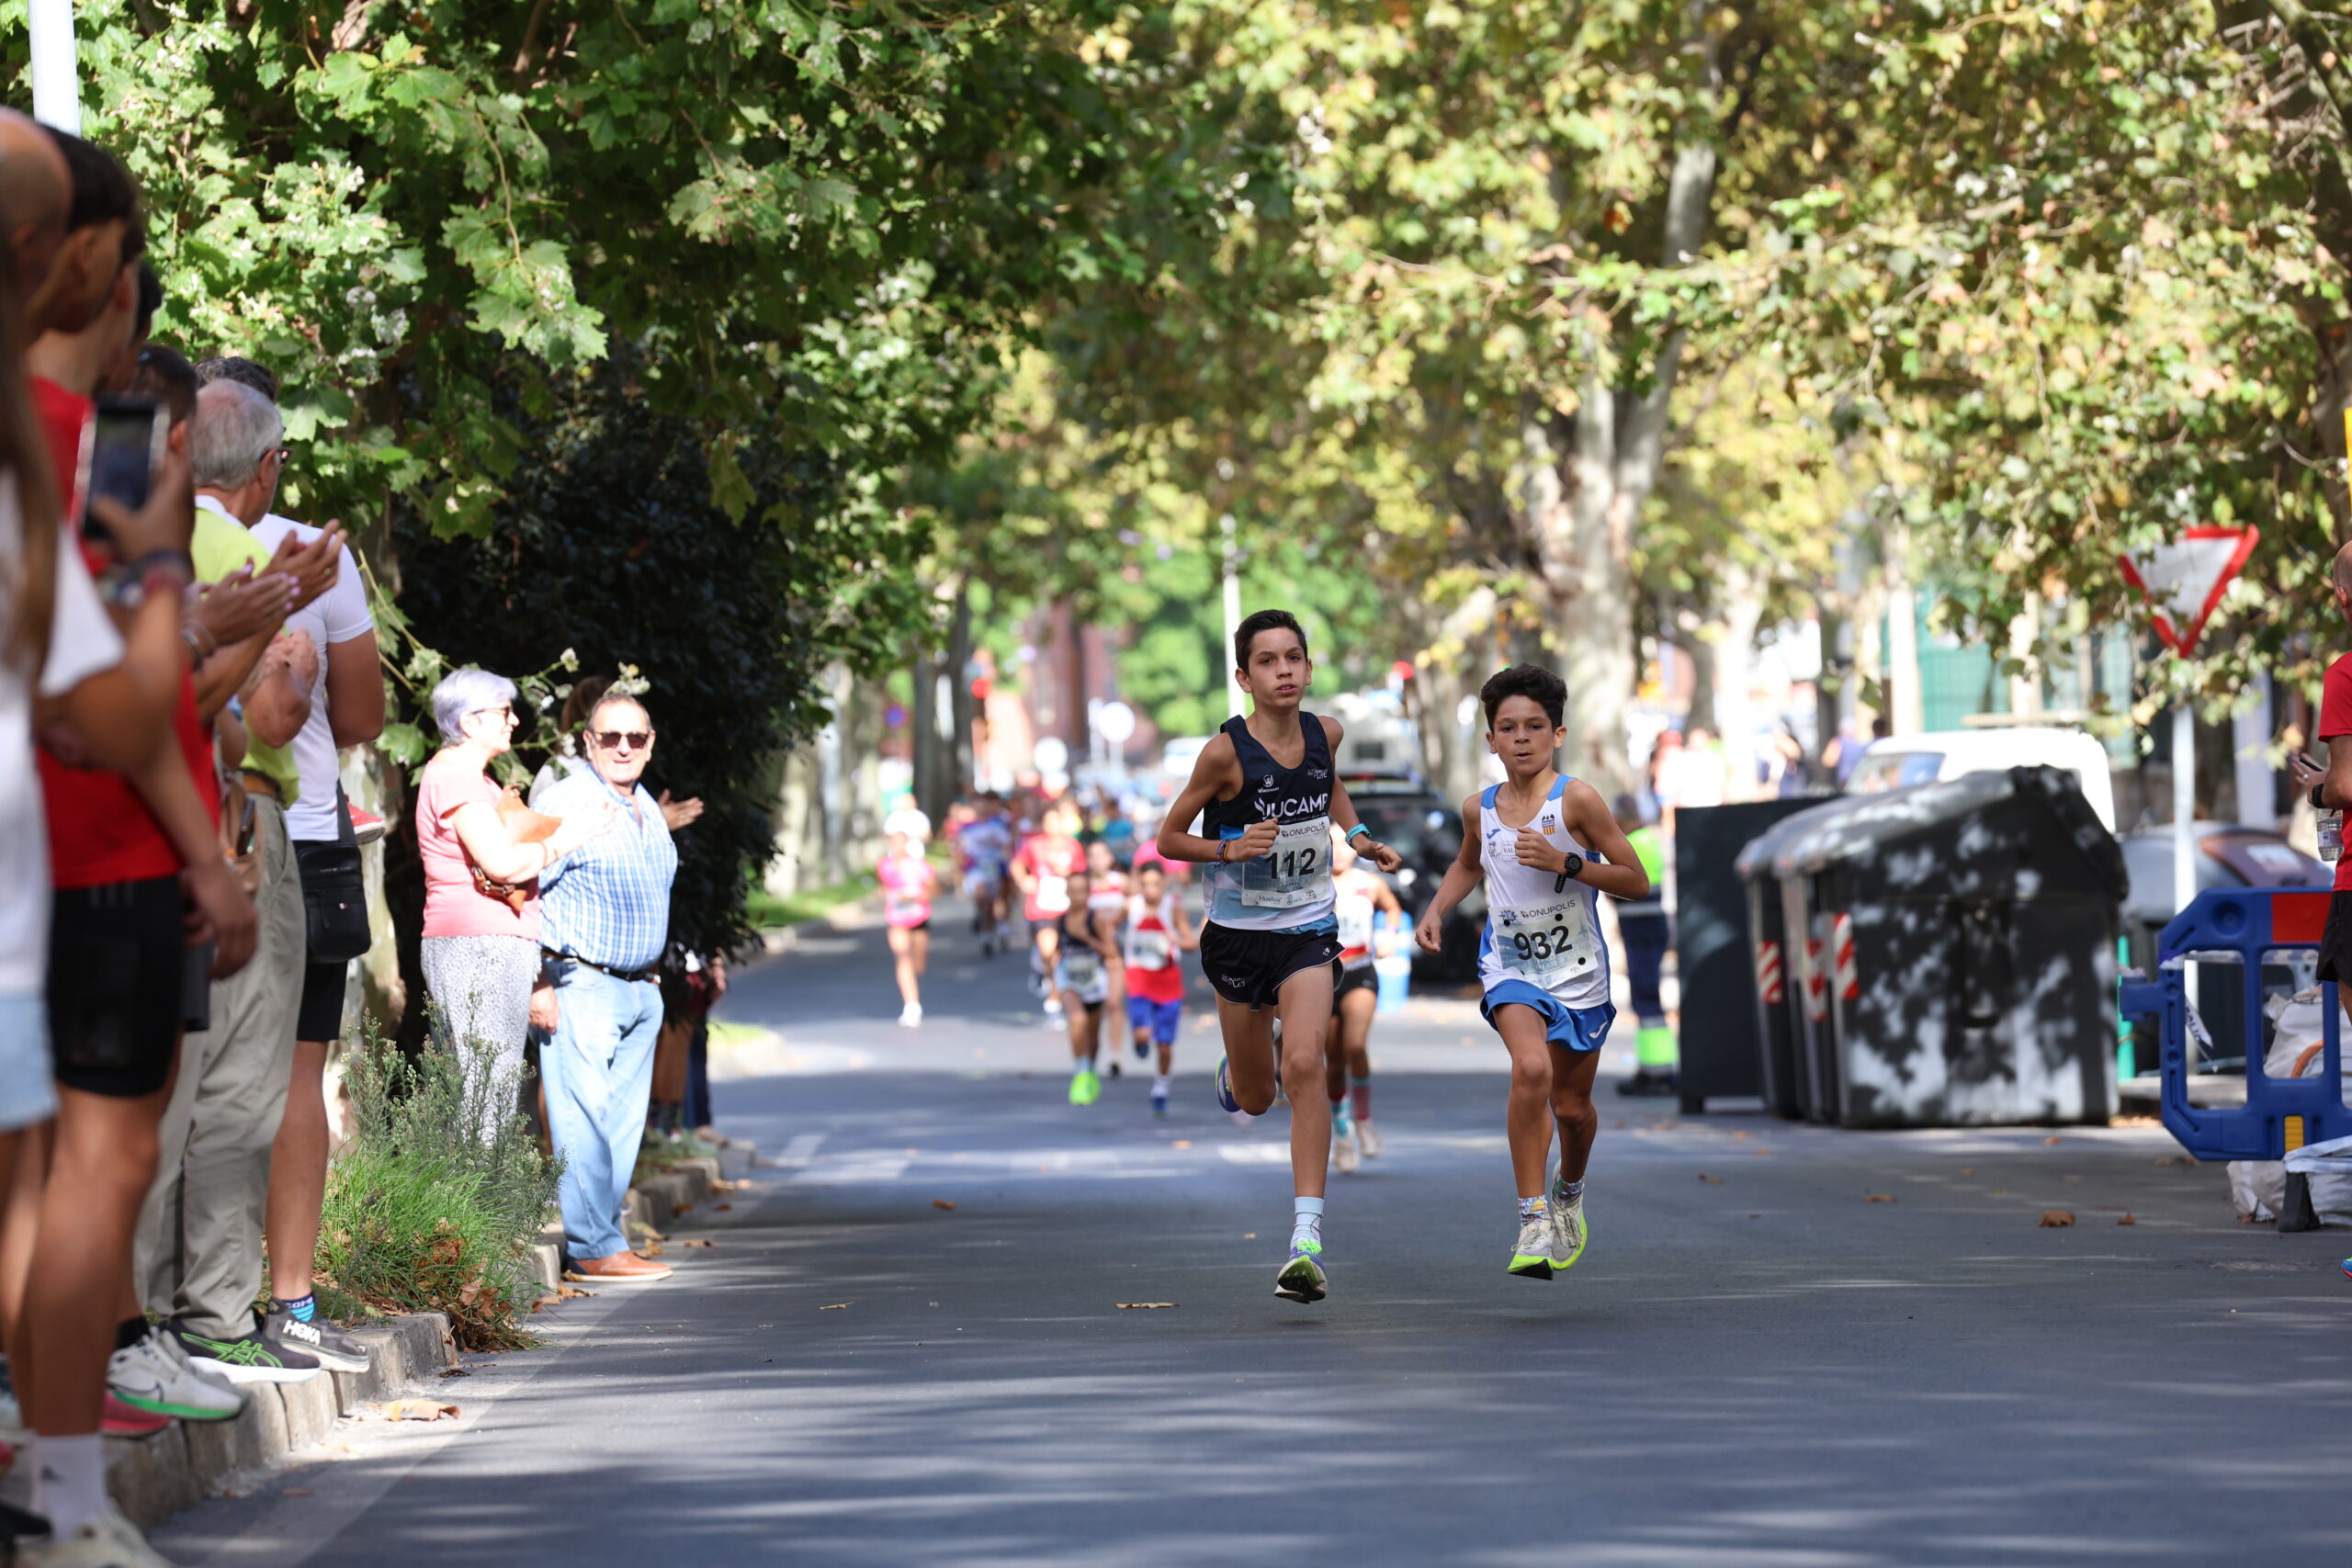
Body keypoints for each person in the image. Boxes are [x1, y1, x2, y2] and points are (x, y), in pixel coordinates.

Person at [140, 373, 365, 1393]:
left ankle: (140, 1316)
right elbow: (260, 721)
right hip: (236, 823)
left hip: (141, 826)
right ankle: (217, 1315)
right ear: (268, 467)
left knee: (158, 1083)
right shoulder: (248, 556)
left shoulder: (136, 539)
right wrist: (295, 659)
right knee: (238, 1083)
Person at [1154, 608, 1400, 1304]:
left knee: (1306, 1063)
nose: (1284, 670)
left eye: (1294, 657)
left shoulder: (1327, 733)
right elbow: (1169, 838)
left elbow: (1329, 786)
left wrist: (1358, 836)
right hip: (1237, 935)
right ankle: (1240, 1066)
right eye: (1267, 661)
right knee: (1259, 1098)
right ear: (1244, 678)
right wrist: (1229, 848)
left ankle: (1306, 1241)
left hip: (1307, 927)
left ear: (1309, 668)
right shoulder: (1224, 754)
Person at [1414, 664, 1650, 1281]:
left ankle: (1569, 1189)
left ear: (1558, 734)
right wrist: (1436, 909)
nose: (1522, 738)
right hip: (1511, 965)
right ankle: (1533, 1217)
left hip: (1579, 974)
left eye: (1535, 726)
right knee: (1532, 1068)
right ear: (1491, 739)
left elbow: (1635, 881)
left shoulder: (1577, 800)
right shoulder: (1479, 808)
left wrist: (1567, 862)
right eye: (1508, 727)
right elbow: (1469, 864)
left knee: (1572, 1107)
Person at [533, 691, 682, 1282]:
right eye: (610, 737)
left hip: (640, 989)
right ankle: (594, 1244)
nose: (623, 747)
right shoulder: (567, 802)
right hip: (581, 981)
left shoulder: (644, 805)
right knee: (582, 1121)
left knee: (620, 1125)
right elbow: (524, 890)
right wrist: (537, 982)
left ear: (650, 745)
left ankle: (603, 1237)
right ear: (589, 743)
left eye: (635, 737)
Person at [414, 668, 613, 1100]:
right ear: (469, 722)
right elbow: (502, 865)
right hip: (477, 946)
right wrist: (570, 837)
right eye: (504, 712)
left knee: (484, 1095)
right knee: (486, 1098)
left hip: (484, 943)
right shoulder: (457, 778)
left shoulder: (473, 778)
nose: (515, 720)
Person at [1325, 828, 1402, 1172]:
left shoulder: (1370, 883)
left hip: (1359, 971)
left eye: (1345, 844)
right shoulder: (1314, 885)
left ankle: (1364, 1118)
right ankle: (1342, 1132)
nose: (1340, 851)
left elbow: (1392, 908)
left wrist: (1389, 935)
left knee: (1355, 1046)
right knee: (1333, 1061)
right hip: (1324, 977)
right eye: (1332, 845)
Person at [1611, 793, 1678, 1100]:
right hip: (1645, 930)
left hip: (1643, 932)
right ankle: (1652, 1068)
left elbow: (1620, 886)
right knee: (1645, 999)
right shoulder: (1646, 839)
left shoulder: (1635, 843)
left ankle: (1659, 1072)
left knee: (1647, 1000)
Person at [1122, 859, 1197, 1118]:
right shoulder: (1131, 906)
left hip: (1167, 982)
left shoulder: (1173, 908)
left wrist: (1175, 939)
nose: (1150, 890)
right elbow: (1106, 925)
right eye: (1145, 884)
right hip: (1139, 978)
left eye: (1155, 884)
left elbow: (1191, 944)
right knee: (1143, 1034)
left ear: (1164, 883)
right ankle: (1140, 1040)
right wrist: (1110, 952)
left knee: (1164, 1046)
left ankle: (1161, 1089)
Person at [1011, 797, 1084, 1025]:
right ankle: (1042, 970)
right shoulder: (1034, 845)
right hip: (1042, 907)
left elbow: (1081, 873)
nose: (1051, 826)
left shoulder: (1072, 846)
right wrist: (1024, 880)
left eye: (1055, 821)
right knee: (1049, 953)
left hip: (1066, 907)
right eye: (1047, 821)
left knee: (1059, 957)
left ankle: (1053, 1002)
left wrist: (1067, 872)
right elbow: (1017, 865)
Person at [1052, 868, 1119, 1105]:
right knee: (1077, 1019)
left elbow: (1111, 951)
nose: (1077, 895)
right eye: (1073, 891)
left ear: (1089, 893)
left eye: (1082, 891)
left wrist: (1087, 937)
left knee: (1092, 1035)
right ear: (1067, 892)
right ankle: (1080, 1071)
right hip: (1069, 979)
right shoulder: (1061, 920)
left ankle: (1090, 1069)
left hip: (1093, 982)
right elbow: (1057, 952)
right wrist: (1050, 975)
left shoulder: (1095, 919)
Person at [878, 822, 935, 1026]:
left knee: (918, 965)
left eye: (901, 842)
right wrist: (889, 895)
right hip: (896, 918)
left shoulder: (919, 865)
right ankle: (911, 1005)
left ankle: (913, 984)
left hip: (918, 916)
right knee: (903, 957)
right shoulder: (884, 865)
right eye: (894, 842)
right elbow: (884, 888)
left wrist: (915, 896)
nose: (897, 846)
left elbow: (934, 889)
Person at [956, 793, 1013, 956]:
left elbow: (1007, 845)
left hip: (995, 867)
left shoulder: (998, 824)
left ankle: (998, 929)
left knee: (998, 900)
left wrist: (1005, 861)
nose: (981, 807)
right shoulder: (967, 828)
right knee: (983, 898)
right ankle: (985, 931)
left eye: (984, 804)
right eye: (978, 804)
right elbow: (961, 849)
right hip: (976, 868)